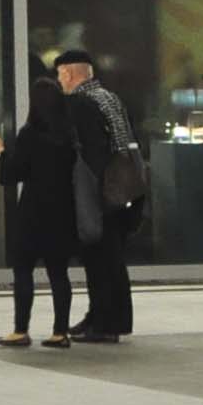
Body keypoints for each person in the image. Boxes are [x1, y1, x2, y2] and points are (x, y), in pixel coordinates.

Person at [0, 74, 78, 348]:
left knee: (23, 270)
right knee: (58, 273)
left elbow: (12, 175)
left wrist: (0, 151)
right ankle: (60, 332)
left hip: (33, 210)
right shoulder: (69, 134)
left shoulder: (30, 134)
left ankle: (20, 330)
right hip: (63, 210)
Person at [60, 50, 139, 343]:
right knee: (112, 255)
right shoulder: (109, 97)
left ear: (69, 73)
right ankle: (101, 317)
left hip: (99, 188)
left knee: (100, 258)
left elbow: (90, 151)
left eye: (60, 75)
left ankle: (105, 323)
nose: (60, 81)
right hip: (121, 184)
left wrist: (87, 191)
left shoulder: (82, 103)